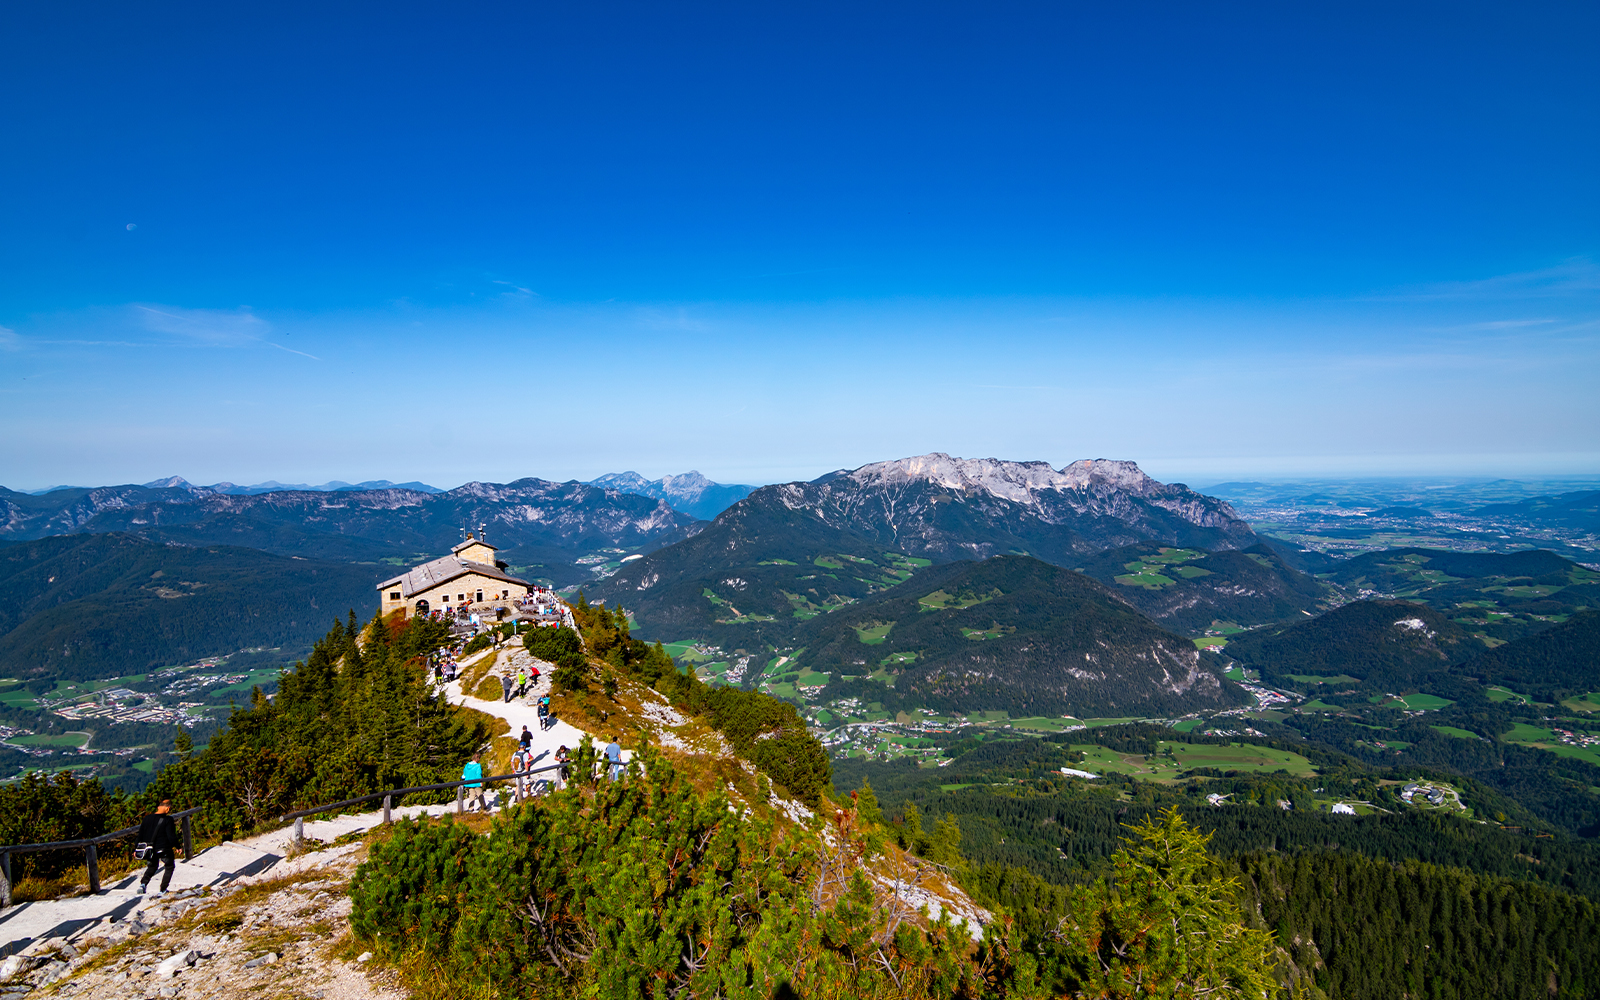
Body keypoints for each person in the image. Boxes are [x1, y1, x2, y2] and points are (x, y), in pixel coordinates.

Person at [137, 799, 179, 895]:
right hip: (163, 847)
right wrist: (177, 846)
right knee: (169, 866)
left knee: (152, 866)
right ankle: (162, 889)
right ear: (167, 808)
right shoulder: (168, 819)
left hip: (149, 848)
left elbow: (140, 835)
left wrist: (136, 847)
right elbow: (171, 835)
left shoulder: (146, 818)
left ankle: (143, 884)